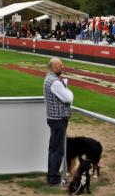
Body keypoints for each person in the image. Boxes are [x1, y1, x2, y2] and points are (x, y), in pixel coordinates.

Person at [43, 58, 73, 186]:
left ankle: (51, 175)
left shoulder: (49, 79)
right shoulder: (55, 82)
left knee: (53, 149)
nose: (62, 67)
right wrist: (66, 88)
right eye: (59, 65)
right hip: (58, 119)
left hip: (53, 118)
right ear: (52, 67)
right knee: (57, 150)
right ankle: (54, 179)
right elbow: (69, 98)